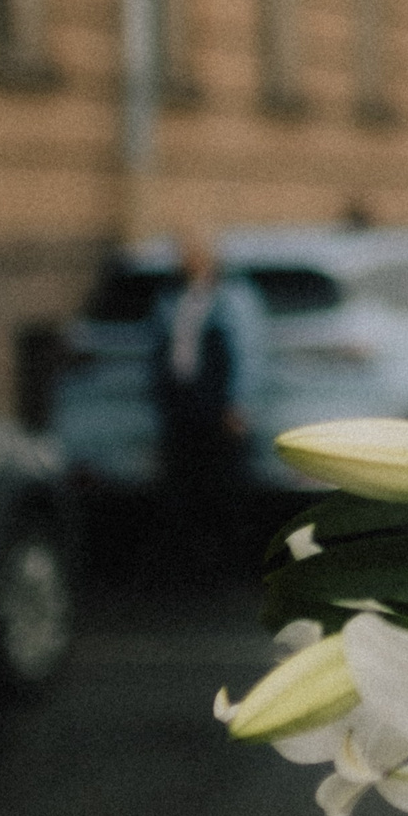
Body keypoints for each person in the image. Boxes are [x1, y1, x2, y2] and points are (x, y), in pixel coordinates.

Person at [149, 229, 266, 566]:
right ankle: (191, 560)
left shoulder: (233, 297)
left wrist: (238, 404)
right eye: (184, 254)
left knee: (225, 487)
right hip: (182, 405)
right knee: (183, 486)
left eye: (196, 254)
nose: (189, 261)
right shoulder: (172, 298)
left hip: (218, 406)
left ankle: (231, 560)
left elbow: (248, 353)